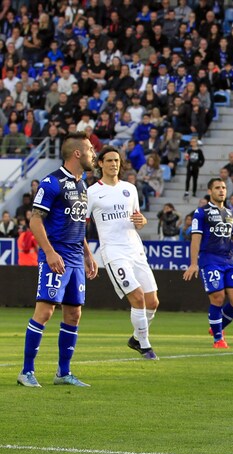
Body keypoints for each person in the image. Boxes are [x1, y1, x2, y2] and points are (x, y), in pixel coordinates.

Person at [18, 132, 99, 388]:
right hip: (56, 256)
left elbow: (77, 223)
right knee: (45, 311)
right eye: (90, 150)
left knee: (74, 314)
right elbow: (35, 221)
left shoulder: (82, 185)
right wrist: (50, 252)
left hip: (76, 258)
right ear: (77, 153)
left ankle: (63, 373)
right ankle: (26, 372)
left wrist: (87, 253)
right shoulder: (51, 182)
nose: (93, 154)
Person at [87, 146, 159, 360]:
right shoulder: (92, 192)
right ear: (100, 164)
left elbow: (138, 220)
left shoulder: (130, 189)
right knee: (137, 297)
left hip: (135, 249)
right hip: (113, 252)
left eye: (116, 160)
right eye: (109, 160)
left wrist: (142, 221)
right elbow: (80, 225)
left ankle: (136, 338)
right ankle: (145, 346)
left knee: (152, 302)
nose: (114, 164)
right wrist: (87, 253)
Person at [183, 178, 233, 348]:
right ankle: (218, 339)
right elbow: (196, 238)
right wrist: (193, 263)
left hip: (229, 260)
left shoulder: (230, 214)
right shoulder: (201, 213)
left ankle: (217, 326)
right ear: (210, 191)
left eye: (223, 187)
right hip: (210, 260)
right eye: (217, 188)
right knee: (218, 297)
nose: (221, 190)